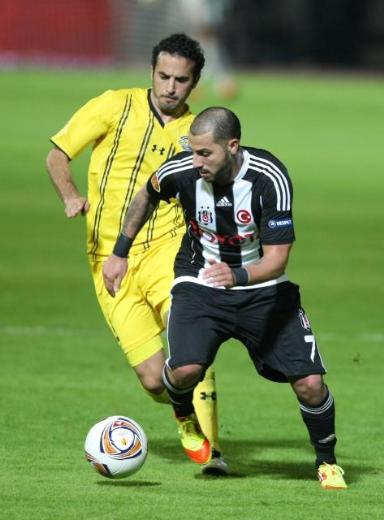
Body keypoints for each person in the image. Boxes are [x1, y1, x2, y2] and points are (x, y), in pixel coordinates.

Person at [103, 106, 347, 489]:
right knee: (183, 370)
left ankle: (327, 461)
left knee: (311, 384)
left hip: (263, 289)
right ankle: (184, 414)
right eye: (192, 151)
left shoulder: (269, 177)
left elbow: (278, 259)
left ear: (232, 146)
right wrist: (120, 252)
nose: (195, 160)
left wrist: (237, 275)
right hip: (201, 285)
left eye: (205, 153)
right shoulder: (180, 171)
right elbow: (146, 196)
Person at [46, 33, 227, 475]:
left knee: (191, 342)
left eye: (180, 80)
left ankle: (214, 454)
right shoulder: (113, 105)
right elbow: (57, 155)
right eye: (163, 76)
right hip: (108, 259)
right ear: (151, 73)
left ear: (194, 83)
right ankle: (182, 409)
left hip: (168, 250)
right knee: (152, 378)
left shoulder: (198, 133)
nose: (170, 87)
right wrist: (70, 196)